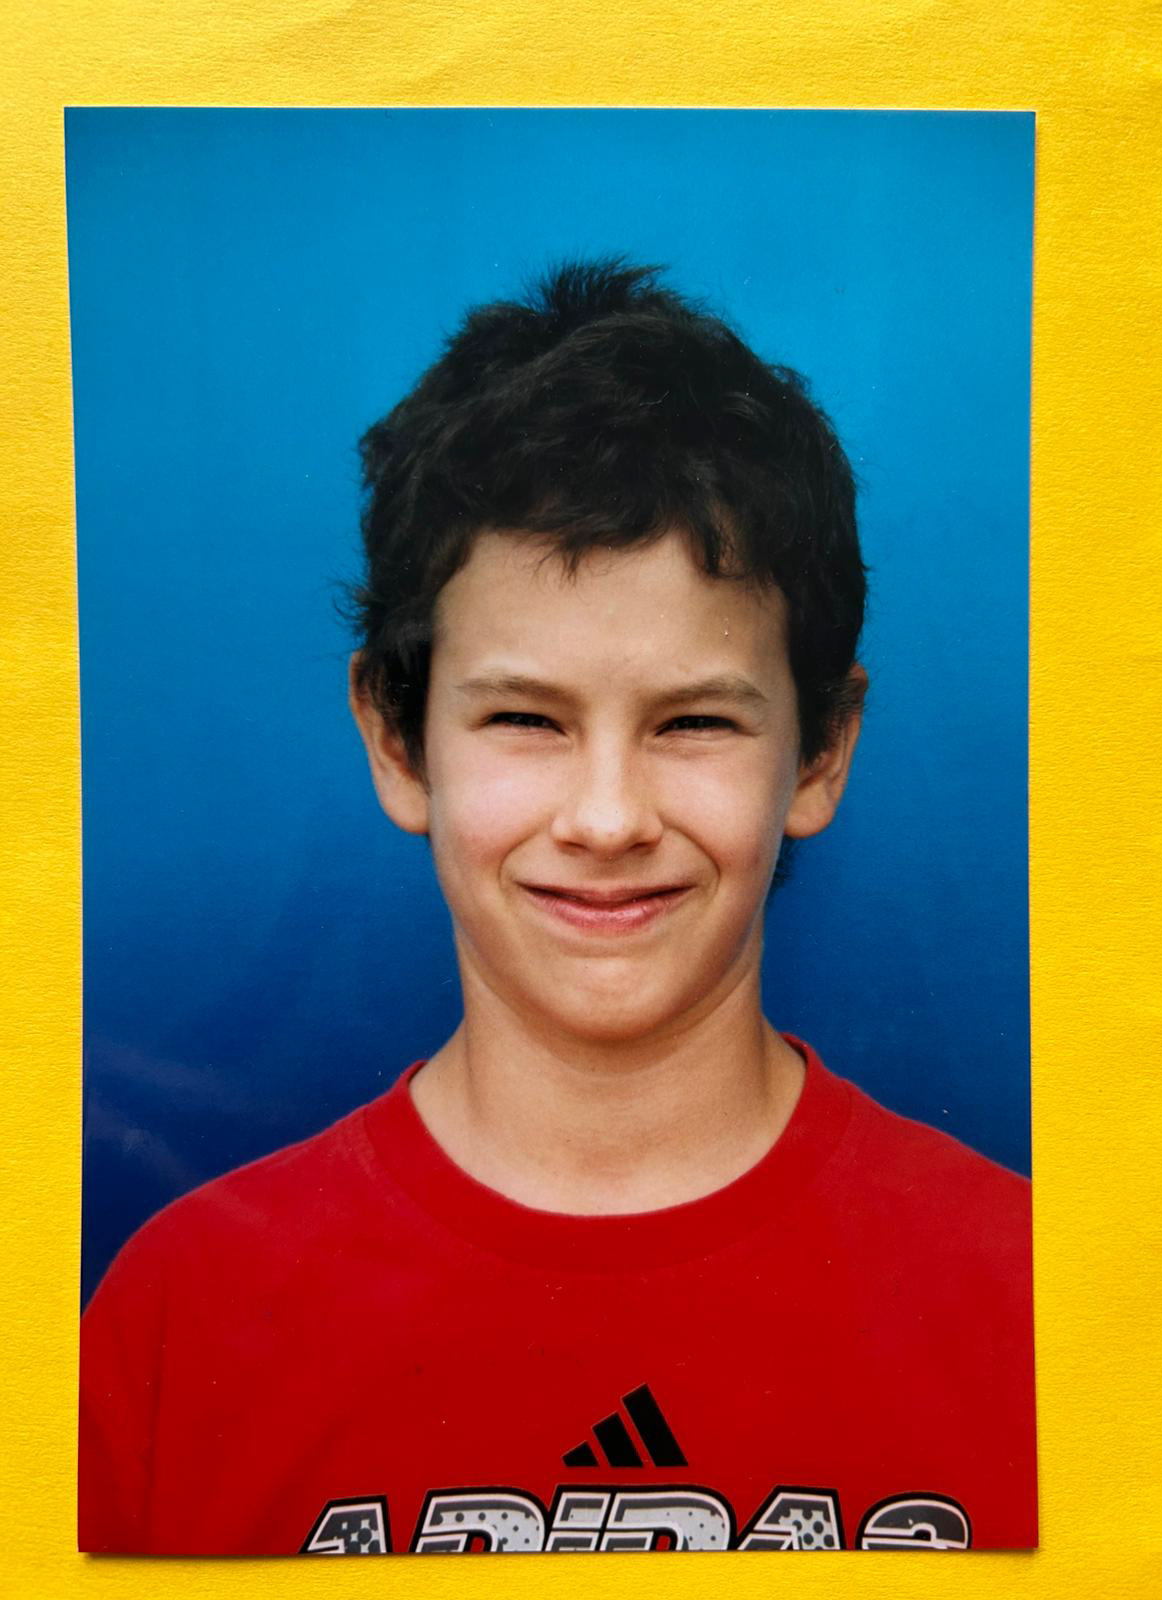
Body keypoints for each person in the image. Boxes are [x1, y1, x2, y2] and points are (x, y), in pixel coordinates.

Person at [79, 260, 1036, 1556]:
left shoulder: (1030, 1302)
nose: (606, 817)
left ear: (821, 752)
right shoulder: (177, 1321)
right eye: (527, 719)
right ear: (397, 740)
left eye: (694, 722)